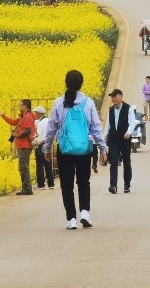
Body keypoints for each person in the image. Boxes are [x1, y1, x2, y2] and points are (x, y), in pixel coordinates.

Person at [43, 70, 108, 229]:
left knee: (66, 184)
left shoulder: (59, 102)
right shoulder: (89, 102)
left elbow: (51, 127)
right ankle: (85, 212)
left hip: (64, 149)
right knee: (84, 181)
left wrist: (46, 148)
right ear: (81, 84)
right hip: (84, 149)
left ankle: (71, 219)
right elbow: (96, 128)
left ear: (66, 83)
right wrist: (103, 148)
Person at [0, 99, 36, 196]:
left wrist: (17, 136)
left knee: (24, 167)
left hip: (24, 145)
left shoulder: (27, 117)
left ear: (25, 106)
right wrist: (3, 115)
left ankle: (27, 189)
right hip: (21, 145)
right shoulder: (22, 117)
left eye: (20, 105)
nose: (19, 107)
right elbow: (13, 122)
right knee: (22, 167)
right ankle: (25, 188)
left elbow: (28, 131)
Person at [104, 89, 138, 193]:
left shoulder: (128, 109)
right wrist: (104, 138)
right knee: (113, 162)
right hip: (113, 140)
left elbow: (132, 122)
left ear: (121, 96)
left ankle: (127, 184)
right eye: (112, 97)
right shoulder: (110, 110)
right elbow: (108, 125)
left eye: (115, 96)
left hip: (124, 140)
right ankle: (113, 185)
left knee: (127, 162)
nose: (113, 98)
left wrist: (128, 132)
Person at [33, 106, 54, 190]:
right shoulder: (48, 121)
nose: (35, 114)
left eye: (35, 113)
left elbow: (37, 134)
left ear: (38, 113)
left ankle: (41, 184)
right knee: (48, 164)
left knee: (40, 165)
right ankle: (51, 183)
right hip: (48, 144)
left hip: (41, 144)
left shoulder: (41, 123)